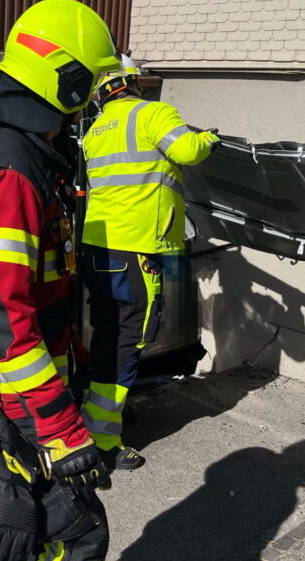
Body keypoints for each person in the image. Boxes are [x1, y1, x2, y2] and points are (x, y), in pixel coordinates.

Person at [0, 0, 120, 560]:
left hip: (26, 397)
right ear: (67, 83)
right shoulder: (12, 174)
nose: (92, 102)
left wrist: (76, 361)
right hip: (13, 405)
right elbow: (3, 319)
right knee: (61, 539)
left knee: (50, 539)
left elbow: (44, 290)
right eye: (90, 85)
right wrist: (60, 427)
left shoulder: (36, 159)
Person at [79, 58, 219, 471]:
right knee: (128, 340)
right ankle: (104, 439)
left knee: (107, 333)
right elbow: (188, 150)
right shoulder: (152, 113)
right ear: (132, 82)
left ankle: (96, 413)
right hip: (136, 248)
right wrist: (211, 138)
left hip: (100, 247)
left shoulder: (94, 130)